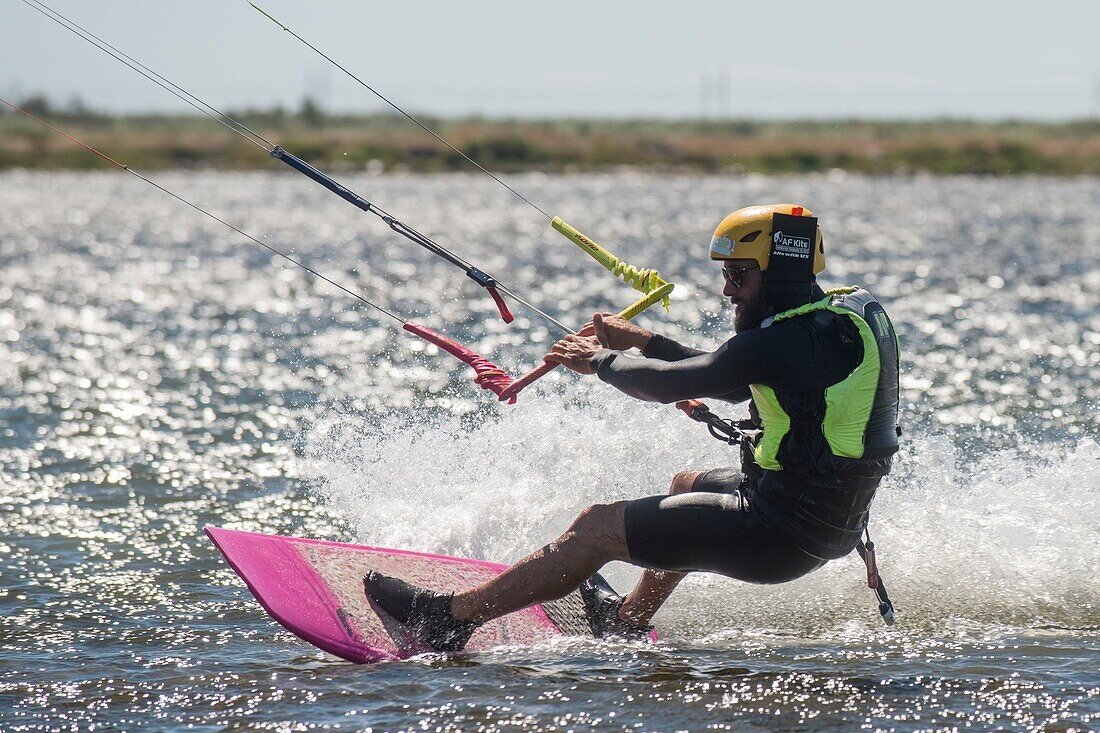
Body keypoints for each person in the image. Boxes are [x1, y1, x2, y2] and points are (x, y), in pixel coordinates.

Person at [365, 203, 902, 651]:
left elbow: (673, 385)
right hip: (827, 519)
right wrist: (644, 343)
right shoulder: (839, 317)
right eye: (725, 274)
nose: (728, 291)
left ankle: (447, 621)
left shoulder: (783, 341)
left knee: (596, 528)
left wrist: (598, 361)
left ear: (779, 271)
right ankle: (625, 622)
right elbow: (738, 381)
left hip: (781, 533)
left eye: (740, 274)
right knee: (687, 483)